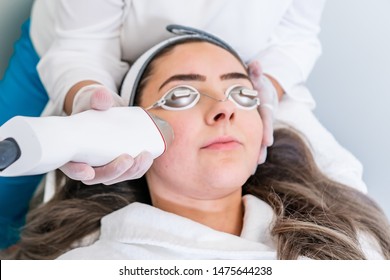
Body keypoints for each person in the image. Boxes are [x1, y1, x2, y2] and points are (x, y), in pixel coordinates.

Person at [0, 0, 366, 249]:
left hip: (241, 56)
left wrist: (260, 87)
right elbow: (82, 43)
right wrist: (87, 102)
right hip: (78, 46)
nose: (224, 109)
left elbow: (297, 35)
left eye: (239, 95)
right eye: (181, 96)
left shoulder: (348, 243)